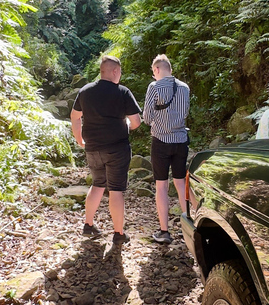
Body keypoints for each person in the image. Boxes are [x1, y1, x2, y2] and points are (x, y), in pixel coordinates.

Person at [71, 55, 142, 244]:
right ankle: (118, 234)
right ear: (115, 71)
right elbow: (136, 121)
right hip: (117, 149)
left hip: (93, 147)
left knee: (97, 184)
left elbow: (75, 116)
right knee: (116, 190)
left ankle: (88, 225)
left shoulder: (85, 91)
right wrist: (127, 125)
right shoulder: (123, 92)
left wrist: (79, 139)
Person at [143, 55, 192, 245]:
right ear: (169, 69)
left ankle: (164, 231)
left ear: (156, 70)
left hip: (161, 142)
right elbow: (185, 113)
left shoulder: (154, 87)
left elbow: (147, 118)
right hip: (180, 141)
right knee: (180, 183)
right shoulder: (185, 87)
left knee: (161, 185)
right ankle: (189, 228)